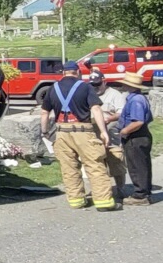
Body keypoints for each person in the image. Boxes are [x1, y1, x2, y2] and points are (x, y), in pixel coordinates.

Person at [40, 61, 120, 211]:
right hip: (83, 131)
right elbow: (96, 109)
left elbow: (44, 112)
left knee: (69, 167)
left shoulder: (53, 88)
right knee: (94, 165)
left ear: (63, 73)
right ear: (77, 72)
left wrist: (44, 132)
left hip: (61, 132)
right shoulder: (85, 87)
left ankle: (76, 200)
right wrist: (103, 131)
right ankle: (103, 202)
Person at [117, 72, 154, 206]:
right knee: (142, 165)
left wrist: (124, 131)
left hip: (135, 136)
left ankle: (140, 195)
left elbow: (138, 122)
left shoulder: (136, 100)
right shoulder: (137, 98)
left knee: (136, 166)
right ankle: (145, 192)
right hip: (140, 135)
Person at [90, 70, 128, 199]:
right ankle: (101, 191)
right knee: (96, 164)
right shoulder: (89, 93)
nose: (95, 88)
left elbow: (122, 112)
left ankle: (121, 188)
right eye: (93, 85)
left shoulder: (115, 94)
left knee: (116, 161)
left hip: (112, 134)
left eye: (98, 84)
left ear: (104, 82)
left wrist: (109, 118)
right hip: (94, 135)